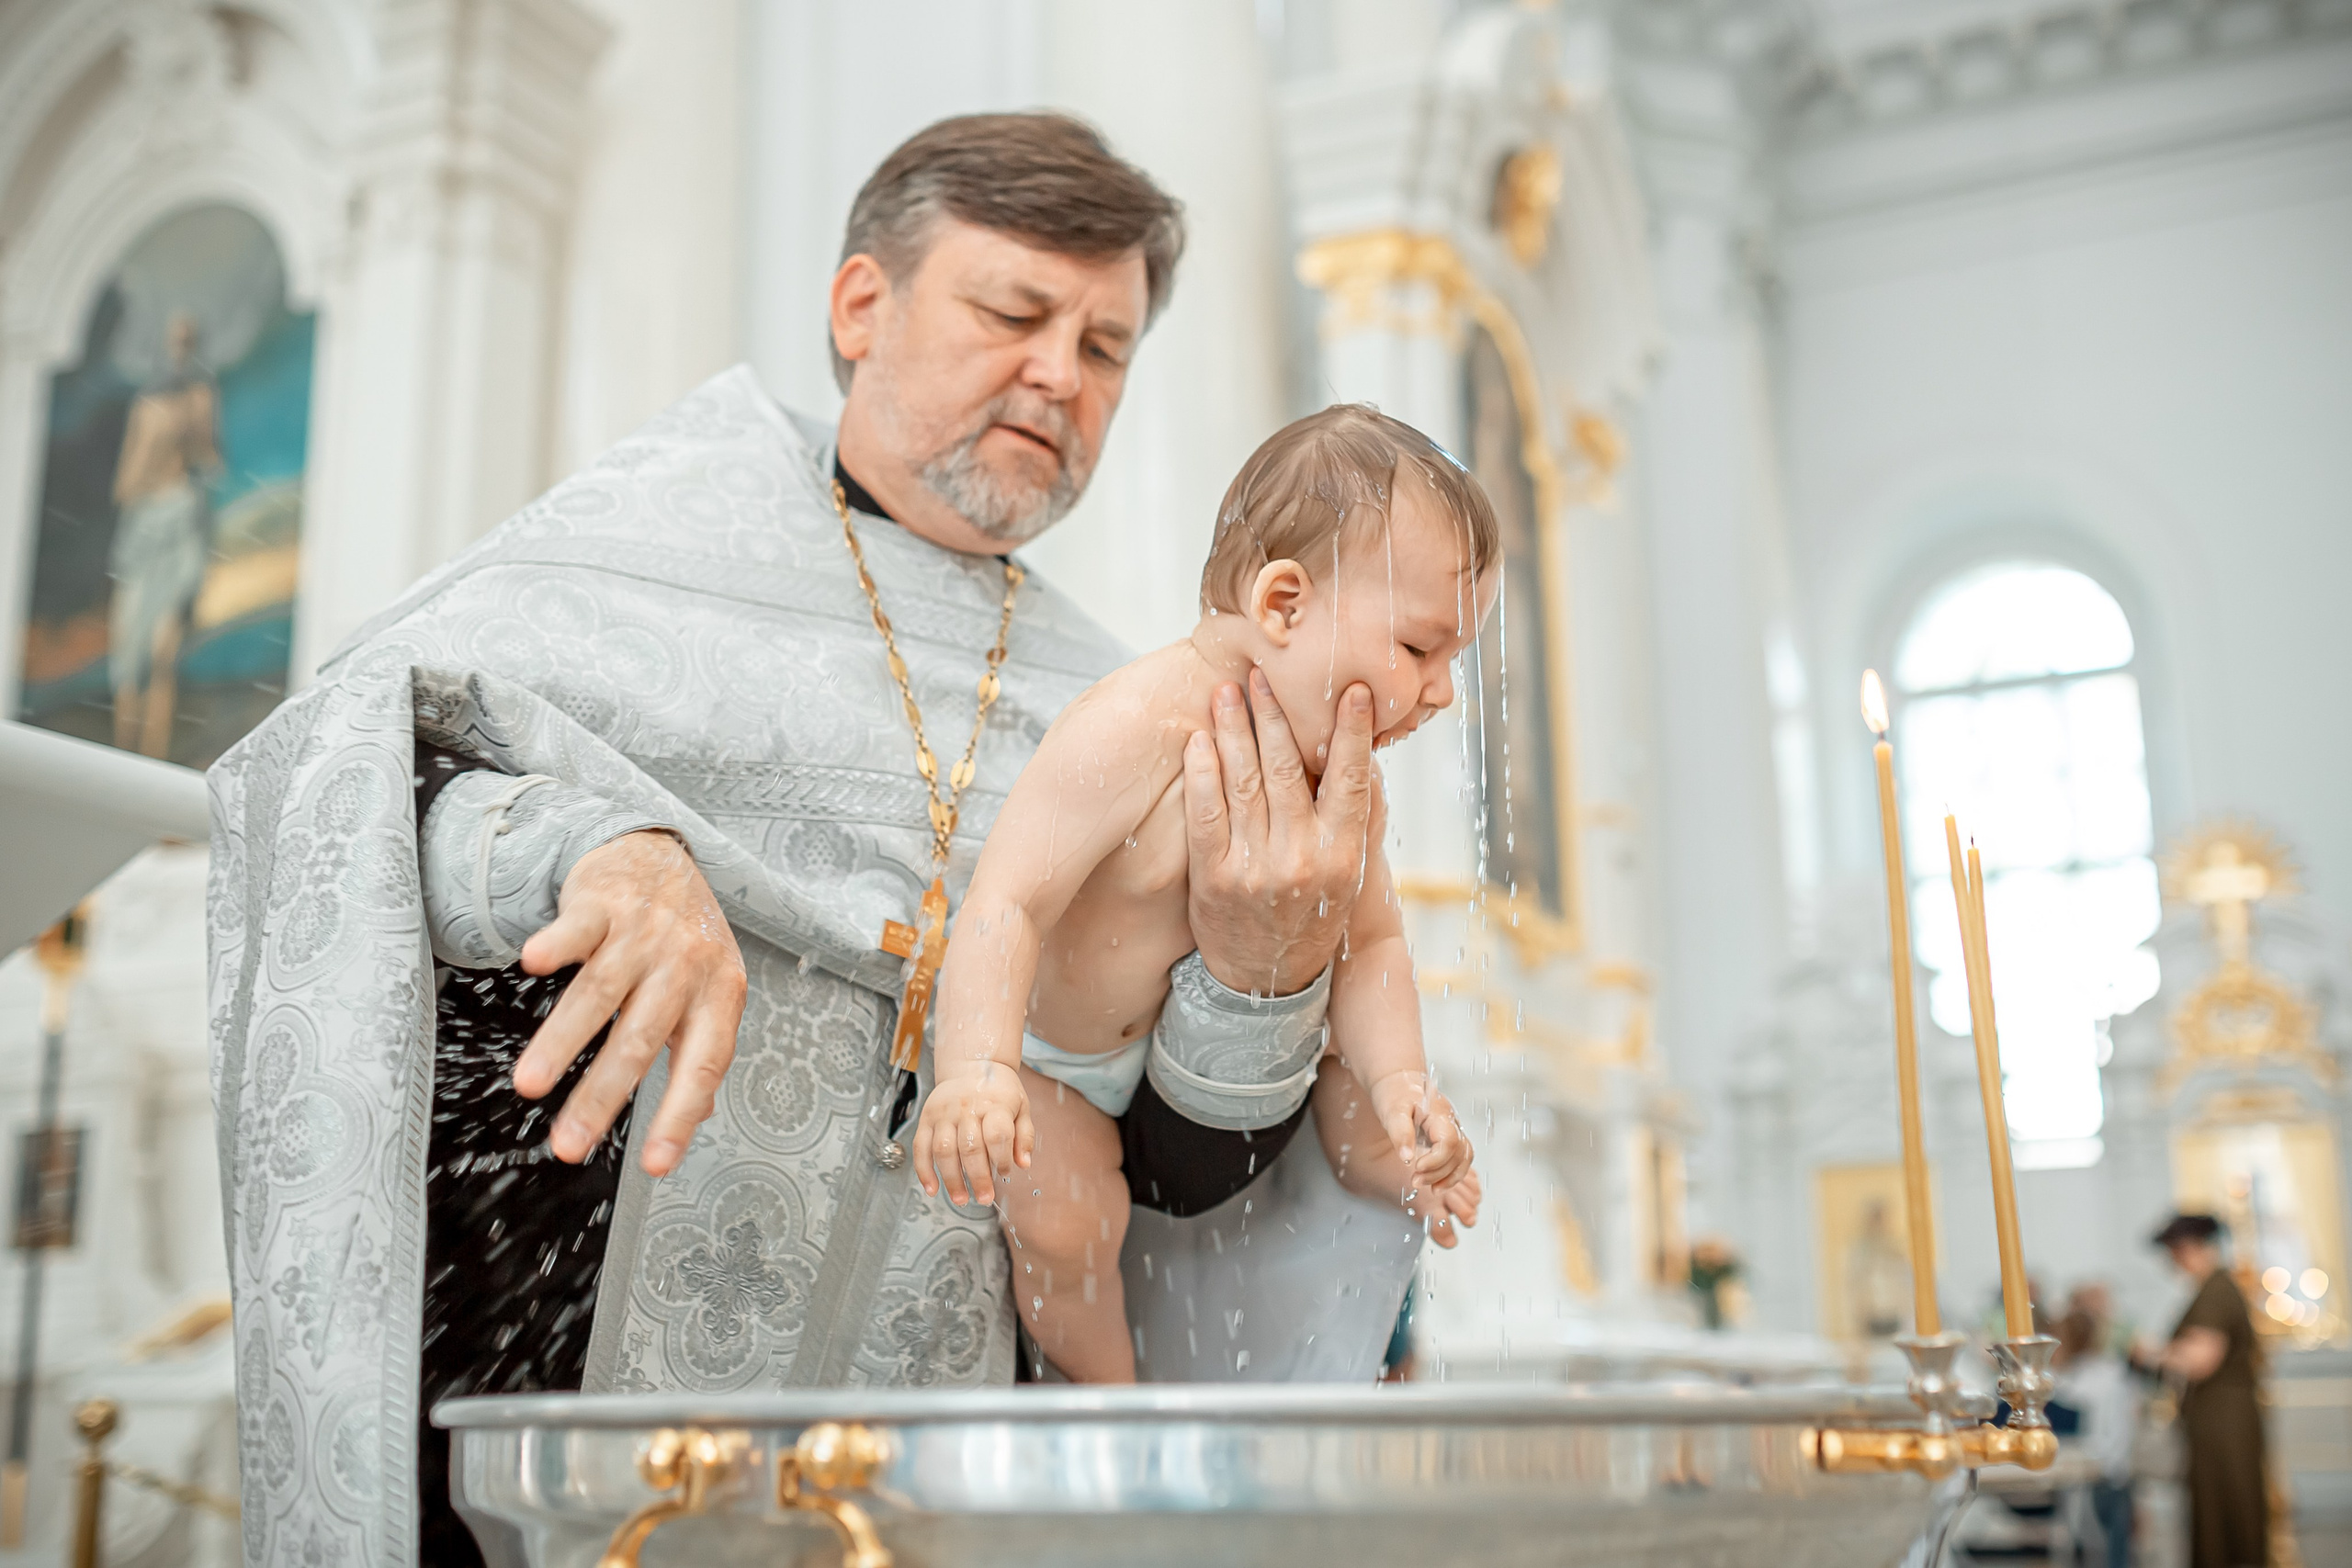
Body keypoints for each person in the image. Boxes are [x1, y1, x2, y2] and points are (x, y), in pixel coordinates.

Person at [209, 114, 1404, 1568]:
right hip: (575, 1393)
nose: (1059, 374)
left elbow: (1175, 1180)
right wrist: (591, 848)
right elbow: (328, 791)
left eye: (1105, 348)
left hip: (945, 1473)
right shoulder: (621, 559)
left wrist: (1257, 977)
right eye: (1014, 312)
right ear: (861, 306)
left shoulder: (1133, 704)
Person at [919, 405, 1490, 1380]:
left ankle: (1409, 1166)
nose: (1440, 692)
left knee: (1361, 1097)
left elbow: (1375, 943)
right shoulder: (1133, 724)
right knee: (1064, 1223)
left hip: (1196, 1064)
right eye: (1418, 650)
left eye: (1454, 663)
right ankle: (1117, 1403)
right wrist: (980, 1072)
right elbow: (1005, 903)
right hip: (1060, 1063)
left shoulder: (1347, 781)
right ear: (1281, 605)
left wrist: (1401, 1085)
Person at [109, 310, 218, 758]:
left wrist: (189, 420)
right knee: (127, 653)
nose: (179, 349)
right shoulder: (146, 403)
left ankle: (152, 754)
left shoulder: (198, 395)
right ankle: (123, 749)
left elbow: (210, 456)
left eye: (187, 340)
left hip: (179, 518)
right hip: (143, 526)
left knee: (161, 653)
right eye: (174, 340)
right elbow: (127, 478)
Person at [2154, 1213, 2267, 1568]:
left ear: (2188, 1248)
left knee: (2229, 1509)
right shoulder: (2212, 1287)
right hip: (2215, 1419)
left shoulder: (2217, 1288)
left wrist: (2152, 1354)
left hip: (2224, 1422)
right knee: (2215, 1508)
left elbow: (2201, 1359)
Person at [2050, 1303, 2139, 1567]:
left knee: (2103, 1547)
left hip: (2101, 1476)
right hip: (2111, 1472)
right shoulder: (2110, 1373)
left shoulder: (2082, 1383)